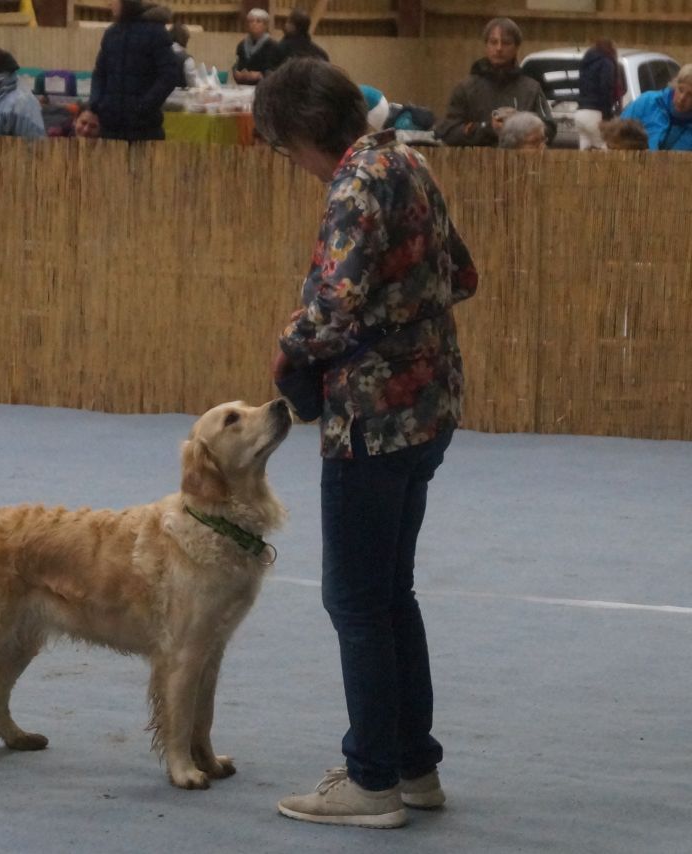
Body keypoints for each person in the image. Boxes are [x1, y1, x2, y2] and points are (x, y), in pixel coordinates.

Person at [253, 58, 478, 829]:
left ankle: (371, 780)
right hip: (430, 406)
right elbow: (463, 275)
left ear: (300, 134)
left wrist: (286, 348)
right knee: (390, 595)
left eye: (283, 147)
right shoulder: (407, 160)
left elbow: (333, 308)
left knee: (354, 600)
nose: (291, 162)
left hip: (371, 421)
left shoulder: (352, 185)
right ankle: (414, 766)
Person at [434, 17, 555, 147]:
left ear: (516, 47)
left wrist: (521, 125)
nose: (499, 48)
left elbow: (549, 128)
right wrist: (487, 128)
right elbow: (448, 132)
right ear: (486, 46)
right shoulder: (465, 88)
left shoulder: (531, 89)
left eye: (506, 43)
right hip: (476, 158)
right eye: (493, 42)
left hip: (520, 158)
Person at [90, 0, 177, 141]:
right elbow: (99, 73)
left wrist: (144, 106)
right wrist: (97, 103)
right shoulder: (111, 34)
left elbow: (169, 75)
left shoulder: (156, 33)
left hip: (144, 128)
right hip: (111, 127)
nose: (110, 4)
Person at [620, 64, 692, 151]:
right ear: (675, 86)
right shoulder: (647, 102)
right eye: (680, 90)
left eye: (690, 95)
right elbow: (617, 132)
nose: (682, 98)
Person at [576, 39, 621, 150]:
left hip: (580, 112)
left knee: (584, 150)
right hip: (596, 113)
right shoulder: (607, 62)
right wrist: (606, 115)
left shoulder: (586, 63)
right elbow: (606, 88)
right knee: (603, 147)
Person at [232, 8, 281, 85]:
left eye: (258, 21)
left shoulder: (272, 45)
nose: (254, 24)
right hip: (244, 86)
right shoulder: (241, 45)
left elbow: (276, 71)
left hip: (264, 87)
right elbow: (237, 64)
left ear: (265, 25)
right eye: (251, 21)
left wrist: (260, 75)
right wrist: (237, 73)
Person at [170, 22, 196, 88]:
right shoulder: (187, 59)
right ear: (185, 40)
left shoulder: (160, 54)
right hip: (181, 93)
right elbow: (192, 83)